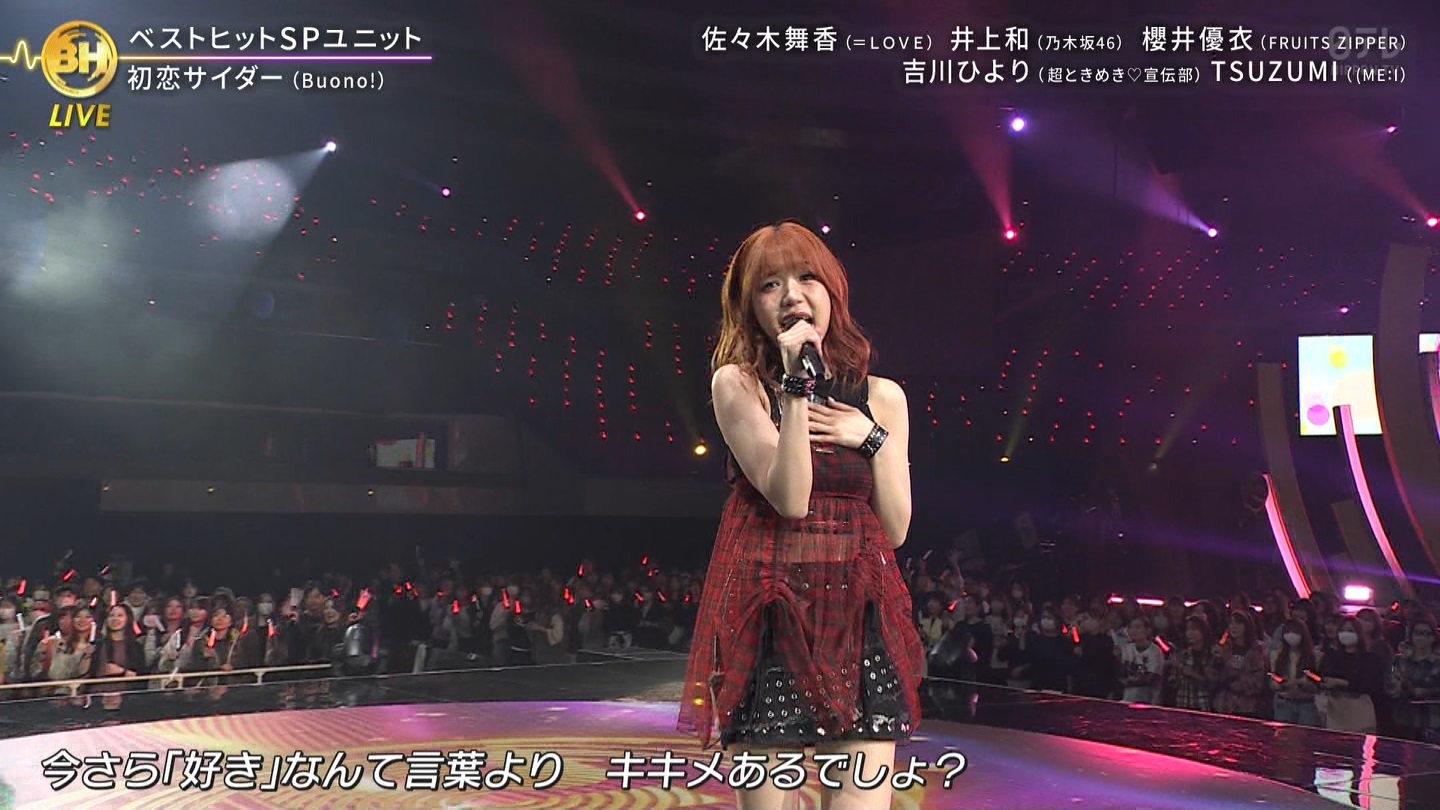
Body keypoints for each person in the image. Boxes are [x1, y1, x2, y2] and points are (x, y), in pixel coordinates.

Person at [678, 221, 925, 810]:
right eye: (770, 284)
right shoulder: (737, 384)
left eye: (806, 277)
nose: (791, 294)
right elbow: (790, 500)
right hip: (771, 619)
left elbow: (895, 529)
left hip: (856, 620)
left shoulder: (883, 397)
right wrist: (795, 388)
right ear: (750, 306)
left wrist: (871, 438)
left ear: (832, 289)